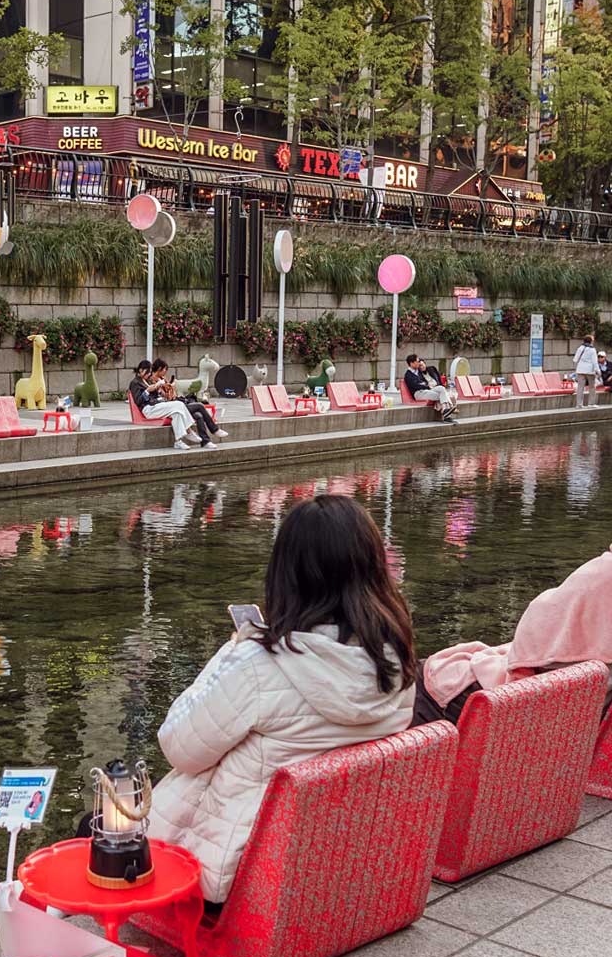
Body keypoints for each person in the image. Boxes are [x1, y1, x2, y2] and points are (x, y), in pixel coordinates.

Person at [147, 495, 417, 903]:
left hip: (238, 873)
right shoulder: (395, 658)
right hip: (332, 858)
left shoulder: (262, 664)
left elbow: (178, 747)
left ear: (288, 573)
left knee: (95, 828)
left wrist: (233, 652)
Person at [412, 544, 612, 727]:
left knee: (411, 681)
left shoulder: (603, 574)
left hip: (499, 705)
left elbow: (533, 634)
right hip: (563, 723)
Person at [150, 358, 227, 449]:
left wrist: (173, 388)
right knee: (200, 406)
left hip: (176, 403)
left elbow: (172, 395)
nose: (165, 372)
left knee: (198, 415)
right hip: (170, 407)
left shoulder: (163, 379)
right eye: (164, 370)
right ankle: (214, 429)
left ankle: (206, 441)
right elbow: (164, 398)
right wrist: (169, 390)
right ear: (159, 369)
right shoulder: (153, 381)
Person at [128, 360, 198, 451]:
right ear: (140, 370)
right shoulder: (135, 383)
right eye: (147, 372)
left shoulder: (147, 380)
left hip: (156, 405)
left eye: (150, 372)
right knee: (179, 404)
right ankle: (188, 430)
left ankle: (178, 442)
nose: (149, 374)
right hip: (148, 409)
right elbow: (138, 401)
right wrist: (147, 391)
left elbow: (155, 395)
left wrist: (158, 388)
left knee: (176, 413)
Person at [403, 354, 458, 424]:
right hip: (418, 393)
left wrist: (424, 384)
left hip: (426, 390)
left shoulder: (419, 372)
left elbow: (423, 382)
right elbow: (415, 386)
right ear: (411, 363)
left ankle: (444, 410)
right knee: (442, 395)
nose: (419, 363)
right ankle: (446, 414)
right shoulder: (408, 375)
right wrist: (425, 385)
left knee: (441, 388)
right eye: (417, 361)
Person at [574, 335, 601, 407]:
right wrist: (598, 370)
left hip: (580, 370)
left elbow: (575, 359)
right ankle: (591, 403)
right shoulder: (592, 350)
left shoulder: (580, 348)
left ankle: (579, 404)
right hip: (590, 370)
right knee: (592, 387)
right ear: (591, 341)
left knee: (580, 387)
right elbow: (594, 362)